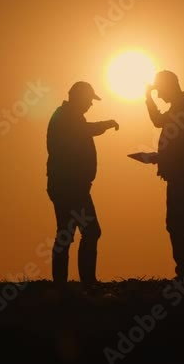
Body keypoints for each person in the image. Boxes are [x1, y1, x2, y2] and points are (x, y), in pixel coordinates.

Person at [46, 81, 119, 285]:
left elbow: (83, 130)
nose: (90, 104)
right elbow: (84, 130)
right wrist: (107, 123)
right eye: (88, 100)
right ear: (78, 98)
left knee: (66, 233)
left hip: (68, 186)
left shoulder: (68, 117)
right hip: (70, 188)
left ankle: (64, 285)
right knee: (89, 231)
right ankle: (86, 283)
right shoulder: (65, 118)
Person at [145, 70, 184, 279]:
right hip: (179, 171)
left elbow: (181, 145)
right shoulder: (182, 106)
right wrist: (148, 97)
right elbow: (160, 122)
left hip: (181, 172)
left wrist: (159, 158)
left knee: (182, 221)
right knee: (180, 221)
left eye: (160, 90)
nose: (159, 95)